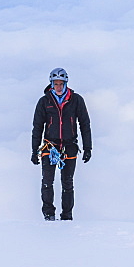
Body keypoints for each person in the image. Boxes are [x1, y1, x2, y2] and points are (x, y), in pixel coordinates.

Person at [31, 67, 92, 221]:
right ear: (51, 84)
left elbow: (84, 123)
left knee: (67, 183)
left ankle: (67, 216)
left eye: (61, 83)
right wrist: (34, 150)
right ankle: (49, 214)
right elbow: (37, 127)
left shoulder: (76, 100)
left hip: (69, 145)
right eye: (55, 83)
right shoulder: (44, 101)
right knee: (47, 181)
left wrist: (87, 147)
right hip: (49, 146)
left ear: (66, 83)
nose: (58, 87)